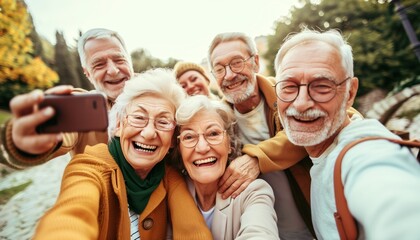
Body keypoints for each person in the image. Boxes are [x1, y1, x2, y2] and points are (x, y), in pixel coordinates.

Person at [273, 28, 420, 239]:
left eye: (322, 86)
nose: (302, 102)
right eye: (288, 86)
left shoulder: (365, 153)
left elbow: (395, 202)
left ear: (350, 92)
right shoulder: (321, 156)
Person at [33, 69, 211, 240]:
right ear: (118, 125)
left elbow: (193, 230)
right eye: (139, 118)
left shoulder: (168, 175)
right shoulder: (90, 167)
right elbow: (72, 214)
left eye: (163, 122)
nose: (149, 133)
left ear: (172, 139)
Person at [207, 31, 314, 239]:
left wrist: (257, 158)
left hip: (317, 227)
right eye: (219, 69)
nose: (229, 75)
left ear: (255, 62)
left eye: (237, 63)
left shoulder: (289, 91)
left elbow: (336, 119)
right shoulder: (216, 121)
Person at [0, 28, 134, 169]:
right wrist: (17, 143)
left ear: (129, 61)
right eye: (99, 64)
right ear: (87, 73)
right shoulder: (80, 108)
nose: (113, 70)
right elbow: (60, 134)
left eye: (119, 59)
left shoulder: (158, 90)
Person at [170, 95, 279, 239]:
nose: (202, 148)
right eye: (189, 137)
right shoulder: (171, 190)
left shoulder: (254, 192)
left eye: (213, 134)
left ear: (229, 144)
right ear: (179, 149)